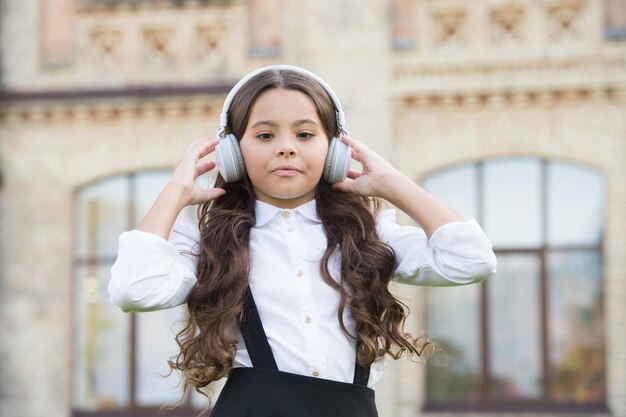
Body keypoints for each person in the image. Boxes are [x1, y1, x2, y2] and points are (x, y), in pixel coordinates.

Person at [108, 65, 497, 417]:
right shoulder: (208, 240)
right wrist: (174, 194)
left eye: (305, 133)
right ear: (232, 152)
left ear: (335, 149)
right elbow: (134, 290)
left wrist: (392, 184)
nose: (286, 146)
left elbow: (470, 259)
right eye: (265, 134)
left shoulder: (368, 231)